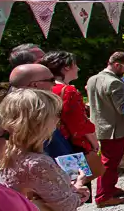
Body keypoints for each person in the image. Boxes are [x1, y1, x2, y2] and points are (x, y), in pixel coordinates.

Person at [40, 51, 114, 203]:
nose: (78, 69)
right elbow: (79, 124)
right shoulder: (69, 91)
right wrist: (94, 144)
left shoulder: (44, 89)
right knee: (76, 190)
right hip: (72, 149)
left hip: (51, 143)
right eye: (75, 65)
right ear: (66, 68)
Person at [86, 51, 124, 206]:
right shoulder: (115, 83)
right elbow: (123, 108)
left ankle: (109, 188)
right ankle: (103, 196)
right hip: (114, 129)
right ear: (117, 65)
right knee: (110, 163)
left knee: (108, 161)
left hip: (99, 127)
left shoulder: (93, 79)